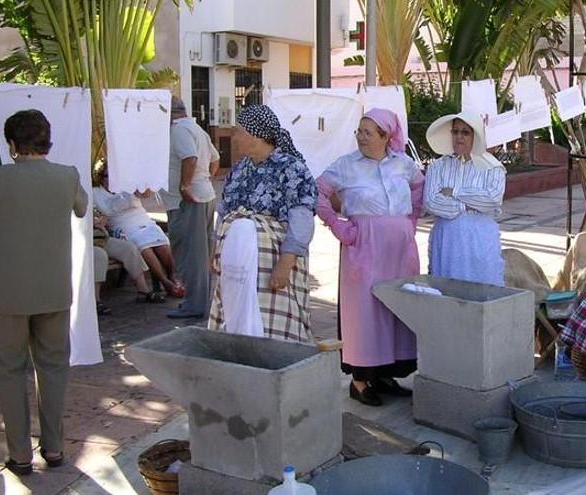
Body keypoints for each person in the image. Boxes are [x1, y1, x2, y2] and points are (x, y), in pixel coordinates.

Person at [0, 109, 88, 475]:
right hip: (55, 289)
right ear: (46, 140)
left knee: (9, 372)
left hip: (8, 294)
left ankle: (20, 455)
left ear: (12, 143)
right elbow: (82, 207)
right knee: (54, 368)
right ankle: (54, 449)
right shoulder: (67, 176)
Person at [316, 108, 424, 407]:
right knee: (363, 310)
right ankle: (360, 380)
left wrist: (410, 221)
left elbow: (419, 187)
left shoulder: (403, 164)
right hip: (364, 243)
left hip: (400, 247)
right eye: (359, 132)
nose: (361, 137)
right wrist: (339, 227)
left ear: (385, 135)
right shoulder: (346, 165)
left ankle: (387, 375)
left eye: (368, 132)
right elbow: (317, 193)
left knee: (397, 306)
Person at [209, 105, 316, 342]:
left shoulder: (291, 168)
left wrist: (285, 264)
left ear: (255, 135)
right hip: (238, 264)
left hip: (274, 260)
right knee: (238, 324)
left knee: (272, 329)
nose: (234, 137)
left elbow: (302, 218)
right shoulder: (239, 170)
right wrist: (217, 250)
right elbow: (224, 212)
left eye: (239, 132)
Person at [424, 112, 506, 286]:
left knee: (482, 289)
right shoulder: (438, 166)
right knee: (446, 289)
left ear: (475, 136)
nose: (459, 137)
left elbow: (492, 199)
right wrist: (465, 207)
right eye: (455, 132)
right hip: (447, 239)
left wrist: (454, 191)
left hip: (480, 239)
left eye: (465, 132)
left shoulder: (493, 168)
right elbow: (431, 201)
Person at [164, 96, 219, 319]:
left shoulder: (179, 130)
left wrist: (186, 185)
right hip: (203, 196)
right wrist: (204, 181)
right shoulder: (196, 129)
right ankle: (197, 303)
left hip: (189, 201)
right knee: (200, 254)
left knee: (191, 255)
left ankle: (194, 306)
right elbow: (215, 159)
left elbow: (190, 157)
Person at [93, 175, 183, 298]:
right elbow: (100, 214)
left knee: (162, 244)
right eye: (106, 176)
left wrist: (141, 183)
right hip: (123, 226)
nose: (109, 178)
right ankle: (165, 282)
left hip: (142, 220)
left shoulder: (127, 185)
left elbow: (146, 193)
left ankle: (172, 276)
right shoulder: (96, 193)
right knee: (145, 248)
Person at [92, 209, 165, 314]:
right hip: (80, 241)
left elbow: (100, 214)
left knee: (129, 248)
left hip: (100, 238)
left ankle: (143, 290)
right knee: (100, 256)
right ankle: (95, 300)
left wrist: (102, 220)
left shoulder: (89, 198)